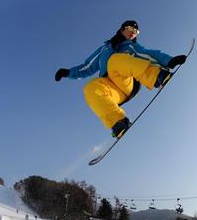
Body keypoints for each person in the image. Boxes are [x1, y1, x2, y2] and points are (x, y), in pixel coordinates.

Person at [55, 20, 187, 138]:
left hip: (128, 84)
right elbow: (87, 67)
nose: (133, 33)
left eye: (136, 32)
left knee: (115, 60)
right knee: (91, 88)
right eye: (130, 29)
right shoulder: (105, 49)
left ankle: (158, 76)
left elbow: (149, 54)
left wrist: (169, 60)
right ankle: (118, 122)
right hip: (112, 89)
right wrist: (68, 73)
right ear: (122, 29)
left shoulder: (132, 47)